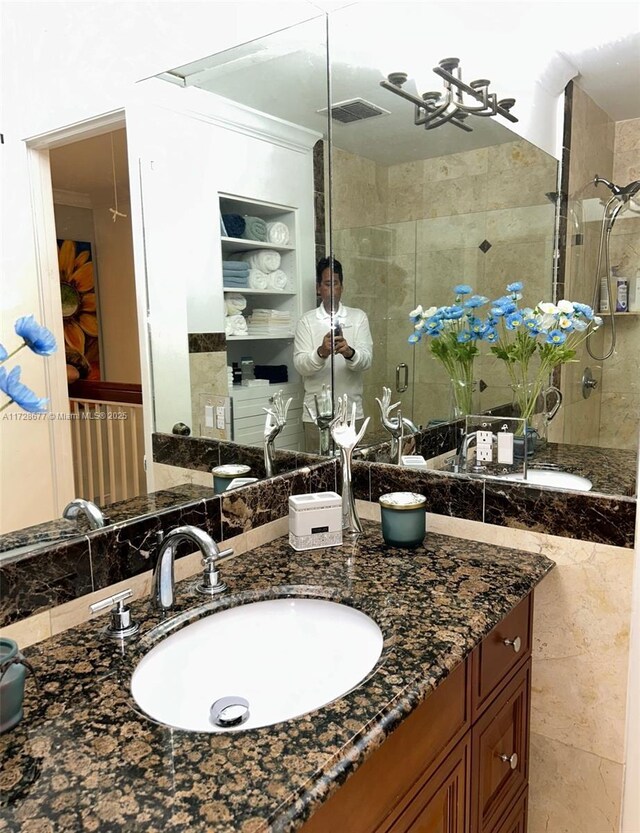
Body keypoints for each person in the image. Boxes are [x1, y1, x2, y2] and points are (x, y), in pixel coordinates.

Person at [294, 257, 373, 451]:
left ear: (342, 287)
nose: (332, 290)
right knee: (317, 476)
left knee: (351, 471)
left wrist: (349, 352)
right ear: (318, 288)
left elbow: (367, 361)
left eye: (335, 284)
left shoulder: (358, 317)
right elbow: (300, 365)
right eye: (327, 284)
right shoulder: (307, 321)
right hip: (315, 415)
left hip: (351, 414)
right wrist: (321, 352)